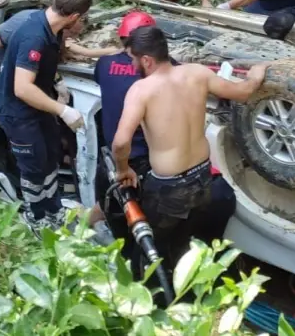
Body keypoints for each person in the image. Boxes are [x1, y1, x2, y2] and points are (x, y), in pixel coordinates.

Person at [113, 25, 267, 269]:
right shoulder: (197, 73)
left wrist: (123, 170)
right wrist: (256, 74)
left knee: (150, 252)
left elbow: (121, 142)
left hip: (169, 188)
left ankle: (152, 298)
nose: (133, 67)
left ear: (146, 60)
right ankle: (186, 289)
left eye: (133, 60)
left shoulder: (141, 90)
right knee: (186, 241)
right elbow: (243, 92)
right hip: (202, 178)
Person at [0, 0, 94, 224]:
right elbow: (22, 87)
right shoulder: (35, 37)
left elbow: (44, 66)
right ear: (74, 16)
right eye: (82, 19)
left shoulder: (53, 29)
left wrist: (57, 80)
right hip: (18, 111)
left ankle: (53, 208)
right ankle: (36, 216)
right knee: (33, 167)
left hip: (39, 104)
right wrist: (64, 110)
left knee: (50, 157)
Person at [90, 10, 158, 231]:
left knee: (111, 209)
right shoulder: (157, 69)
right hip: (144, 164)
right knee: (143, 225)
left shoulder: (104, 64)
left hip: (112, 162)